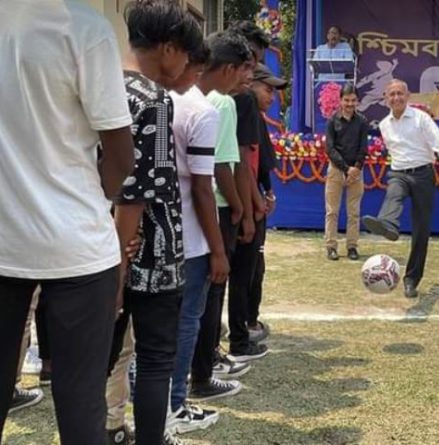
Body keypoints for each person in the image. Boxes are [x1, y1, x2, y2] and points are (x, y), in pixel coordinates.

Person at [0, 1, 134, 443]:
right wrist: (92, 196)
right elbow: (120, 154)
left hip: (6, 242)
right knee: (81, 409)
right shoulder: (84, 28)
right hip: (78, 246)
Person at [109, 2, 203, 443]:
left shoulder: (104, 86)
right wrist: (120, 264)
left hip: (96, 244)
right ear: (168, 48)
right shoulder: (153, 99)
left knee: (100, 359)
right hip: (150, 254)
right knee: (154, 359)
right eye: (185, 54)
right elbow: (137, 191)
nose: (186, 65)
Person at [175, 31, 255, 435]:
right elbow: (207, 182)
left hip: (168, 231)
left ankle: (169, 401)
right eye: (244, 72)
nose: (246, 83)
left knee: (168, 323)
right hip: (196, 232)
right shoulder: (213, 106)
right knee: (190, 316)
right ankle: (178, 402)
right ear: (226, 69)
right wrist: (220, 246)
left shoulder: (173, 100)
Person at [362, 79, 439, 298]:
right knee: (393, 192)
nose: (396, 98)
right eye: (391, 94)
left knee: (421, 231)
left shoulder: (420, 118)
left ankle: (411, 280)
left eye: (400, 94)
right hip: (399, 172)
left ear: (408, 96)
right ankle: (388, 224)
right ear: (386, 99)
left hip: (423, 174)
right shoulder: (385, 125)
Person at [228, 22, 288, 362]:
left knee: (250, 272)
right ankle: (238, 337)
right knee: (237, 277)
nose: (271, 95)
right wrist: (250, 208)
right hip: (239, 207)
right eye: (248, 63)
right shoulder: (239, 104)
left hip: (247, 204)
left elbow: (254, 163)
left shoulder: (245, 108)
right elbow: (236, 161)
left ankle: (241, 330)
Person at [324, 83, 369, 261]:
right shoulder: (332, 121)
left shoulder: (362, 122)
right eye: (346, 100)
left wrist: (356, 168)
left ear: (357, 101)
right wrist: (345, 168)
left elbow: (363, 148)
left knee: (354, 212)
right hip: (336, 170)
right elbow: (330, 148)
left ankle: (352, 246)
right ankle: (331, 247)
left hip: (356, 171)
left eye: (353, 100)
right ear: (340, 100)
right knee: (332, 211)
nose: (350, 104)